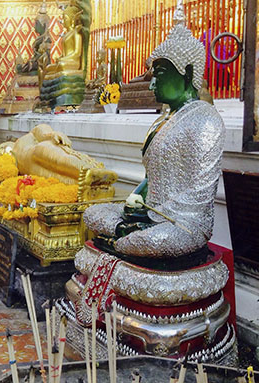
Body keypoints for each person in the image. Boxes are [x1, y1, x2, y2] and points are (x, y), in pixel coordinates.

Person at [82, 3, 224, 259]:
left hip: (183, 223)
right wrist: (132, 207)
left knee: (155, 240)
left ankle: (125, 241)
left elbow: (198, 200)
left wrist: (148, 217)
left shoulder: (206, 121)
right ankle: (128, 237)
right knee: (92, 213)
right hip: (149, 216)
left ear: (187, 73)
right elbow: (150, 181)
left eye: (159, 74)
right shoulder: (162, 122)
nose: (151, 86)